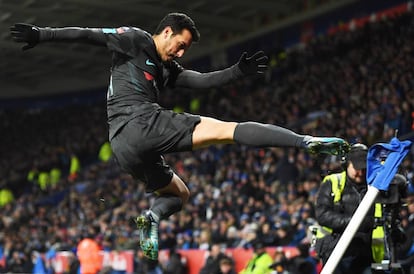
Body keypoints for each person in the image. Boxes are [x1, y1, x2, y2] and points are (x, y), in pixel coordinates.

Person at [10, 12, 350, 260]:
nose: (181, 52)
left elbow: (198, 80)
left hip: (122, 147)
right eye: (180, 44)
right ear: (167, 31)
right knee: (227, 130)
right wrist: (42, 34)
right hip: (141, 122)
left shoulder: (166, 68)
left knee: (179, 194)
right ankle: (304, 141)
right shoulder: (135, 39)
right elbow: (88, 34)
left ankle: (152, 218)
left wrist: (236, 72)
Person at [314, 143, 374, 274]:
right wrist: (355, 223)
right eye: (357, 168)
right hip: (335, 250)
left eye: (364, 168)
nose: (361, 173)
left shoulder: (375, 187)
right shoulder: (332, 182)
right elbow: (322, 215)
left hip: (365, 253)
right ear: (347, 164)